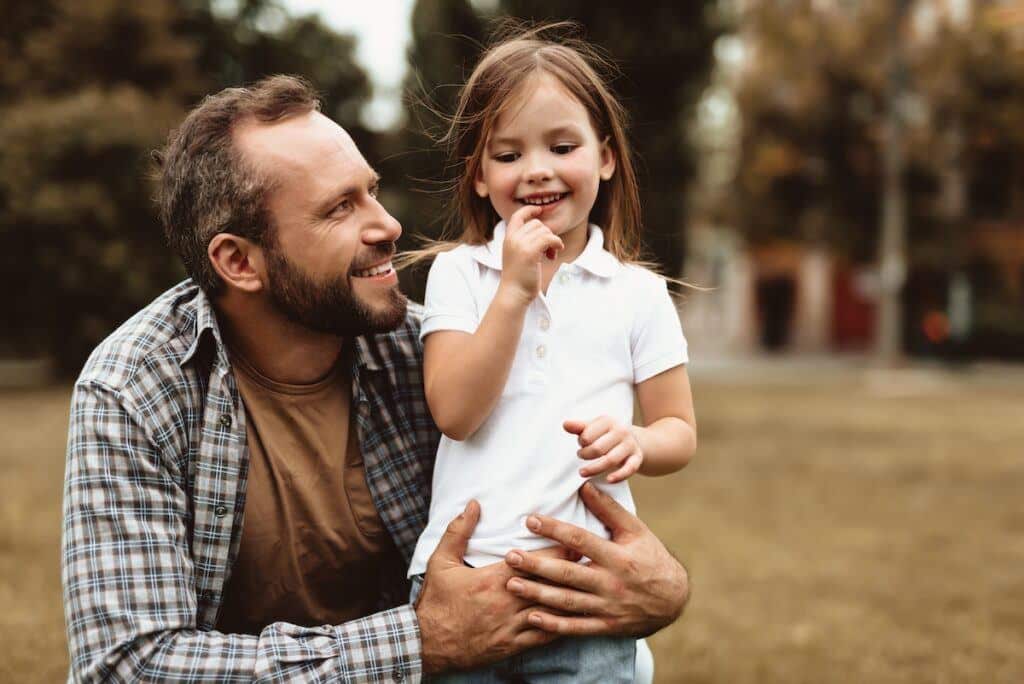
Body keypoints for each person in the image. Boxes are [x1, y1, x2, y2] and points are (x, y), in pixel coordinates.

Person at [60, 74, 690, 682]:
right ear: (238, 261)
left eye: (371, 190)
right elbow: (129, 667)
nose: (388, 225)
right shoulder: (135, 390)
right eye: (339, 208)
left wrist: (666, 588)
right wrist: (420, 642)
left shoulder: (423, 351)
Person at [404, 26, 697, 683]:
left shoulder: (639, 294)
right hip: (468, 586)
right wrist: (513, 291)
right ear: (478, 178)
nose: (535, 168)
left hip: (587, 590)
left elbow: (679, 431)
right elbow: (455, 412)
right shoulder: (460, 275)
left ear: (606, 158)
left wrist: (639, 444)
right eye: (507, 154)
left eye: (561, 146)